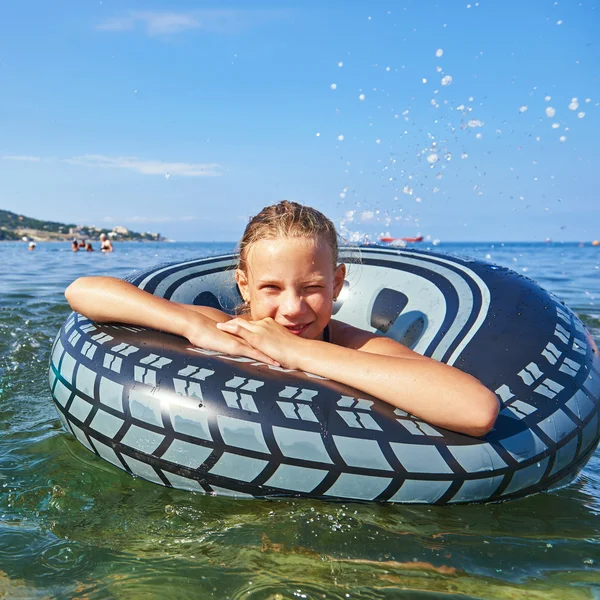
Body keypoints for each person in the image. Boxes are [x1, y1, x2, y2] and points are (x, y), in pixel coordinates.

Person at [65, 201, 499, 436]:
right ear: (244, 286)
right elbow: (82, 291)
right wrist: (192, 325)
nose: (293, 309)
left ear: (337, 284)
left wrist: (297, 351)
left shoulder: (358, 346)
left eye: (311, 288)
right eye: (271, 289)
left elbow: (476, 410)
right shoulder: (226, 326)